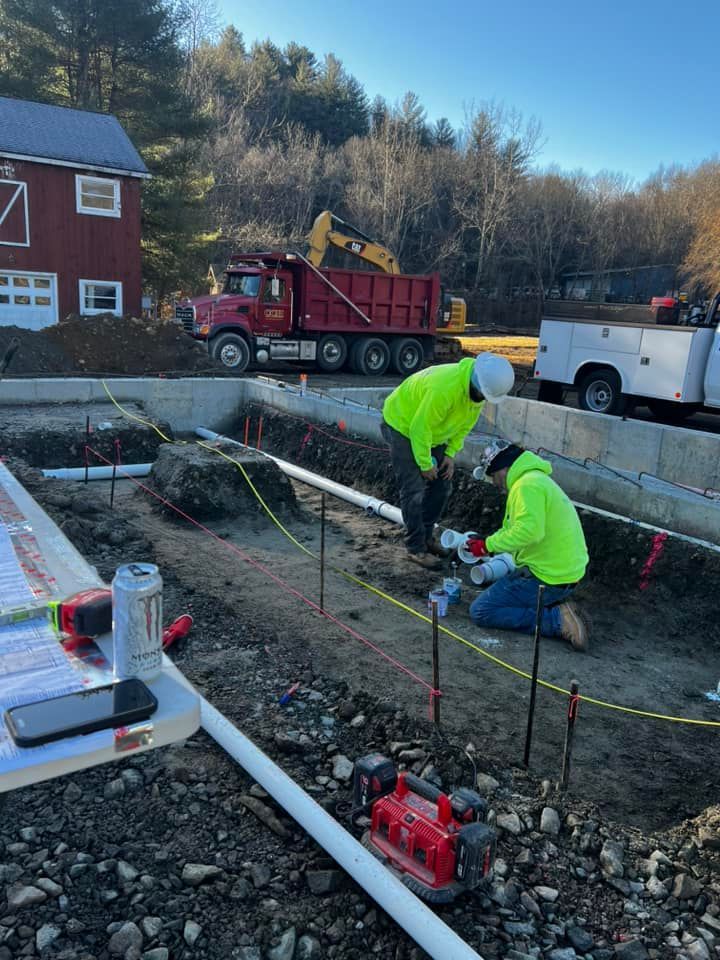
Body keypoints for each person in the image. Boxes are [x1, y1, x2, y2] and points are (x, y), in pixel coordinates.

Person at [381, 354, 515, 570]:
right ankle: (415, 548)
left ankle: (426, 536)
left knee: (442, 485)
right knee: (413, 489)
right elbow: (419, 428)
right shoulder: (444, 389)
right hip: (402, 424)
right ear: (478, 383)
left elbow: (464, 426)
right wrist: (425, 464)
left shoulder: (475, 395)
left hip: (432, 432)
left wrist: (450, 454)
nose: (484, 399)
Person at [467, 440, 589, 651]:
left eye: (493, 476)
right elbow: (519, 528)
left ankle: (558, 620)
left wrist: (487, 546)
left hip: (548, 577)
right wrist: (488, 542)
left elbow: (529, 532)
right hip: (564, 572)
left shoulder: (525, 486)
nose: (495, 484)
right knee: (504, 591)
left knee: (482, 610)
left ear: (503, 469)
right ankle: (557, 607)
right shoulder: (535, 480)